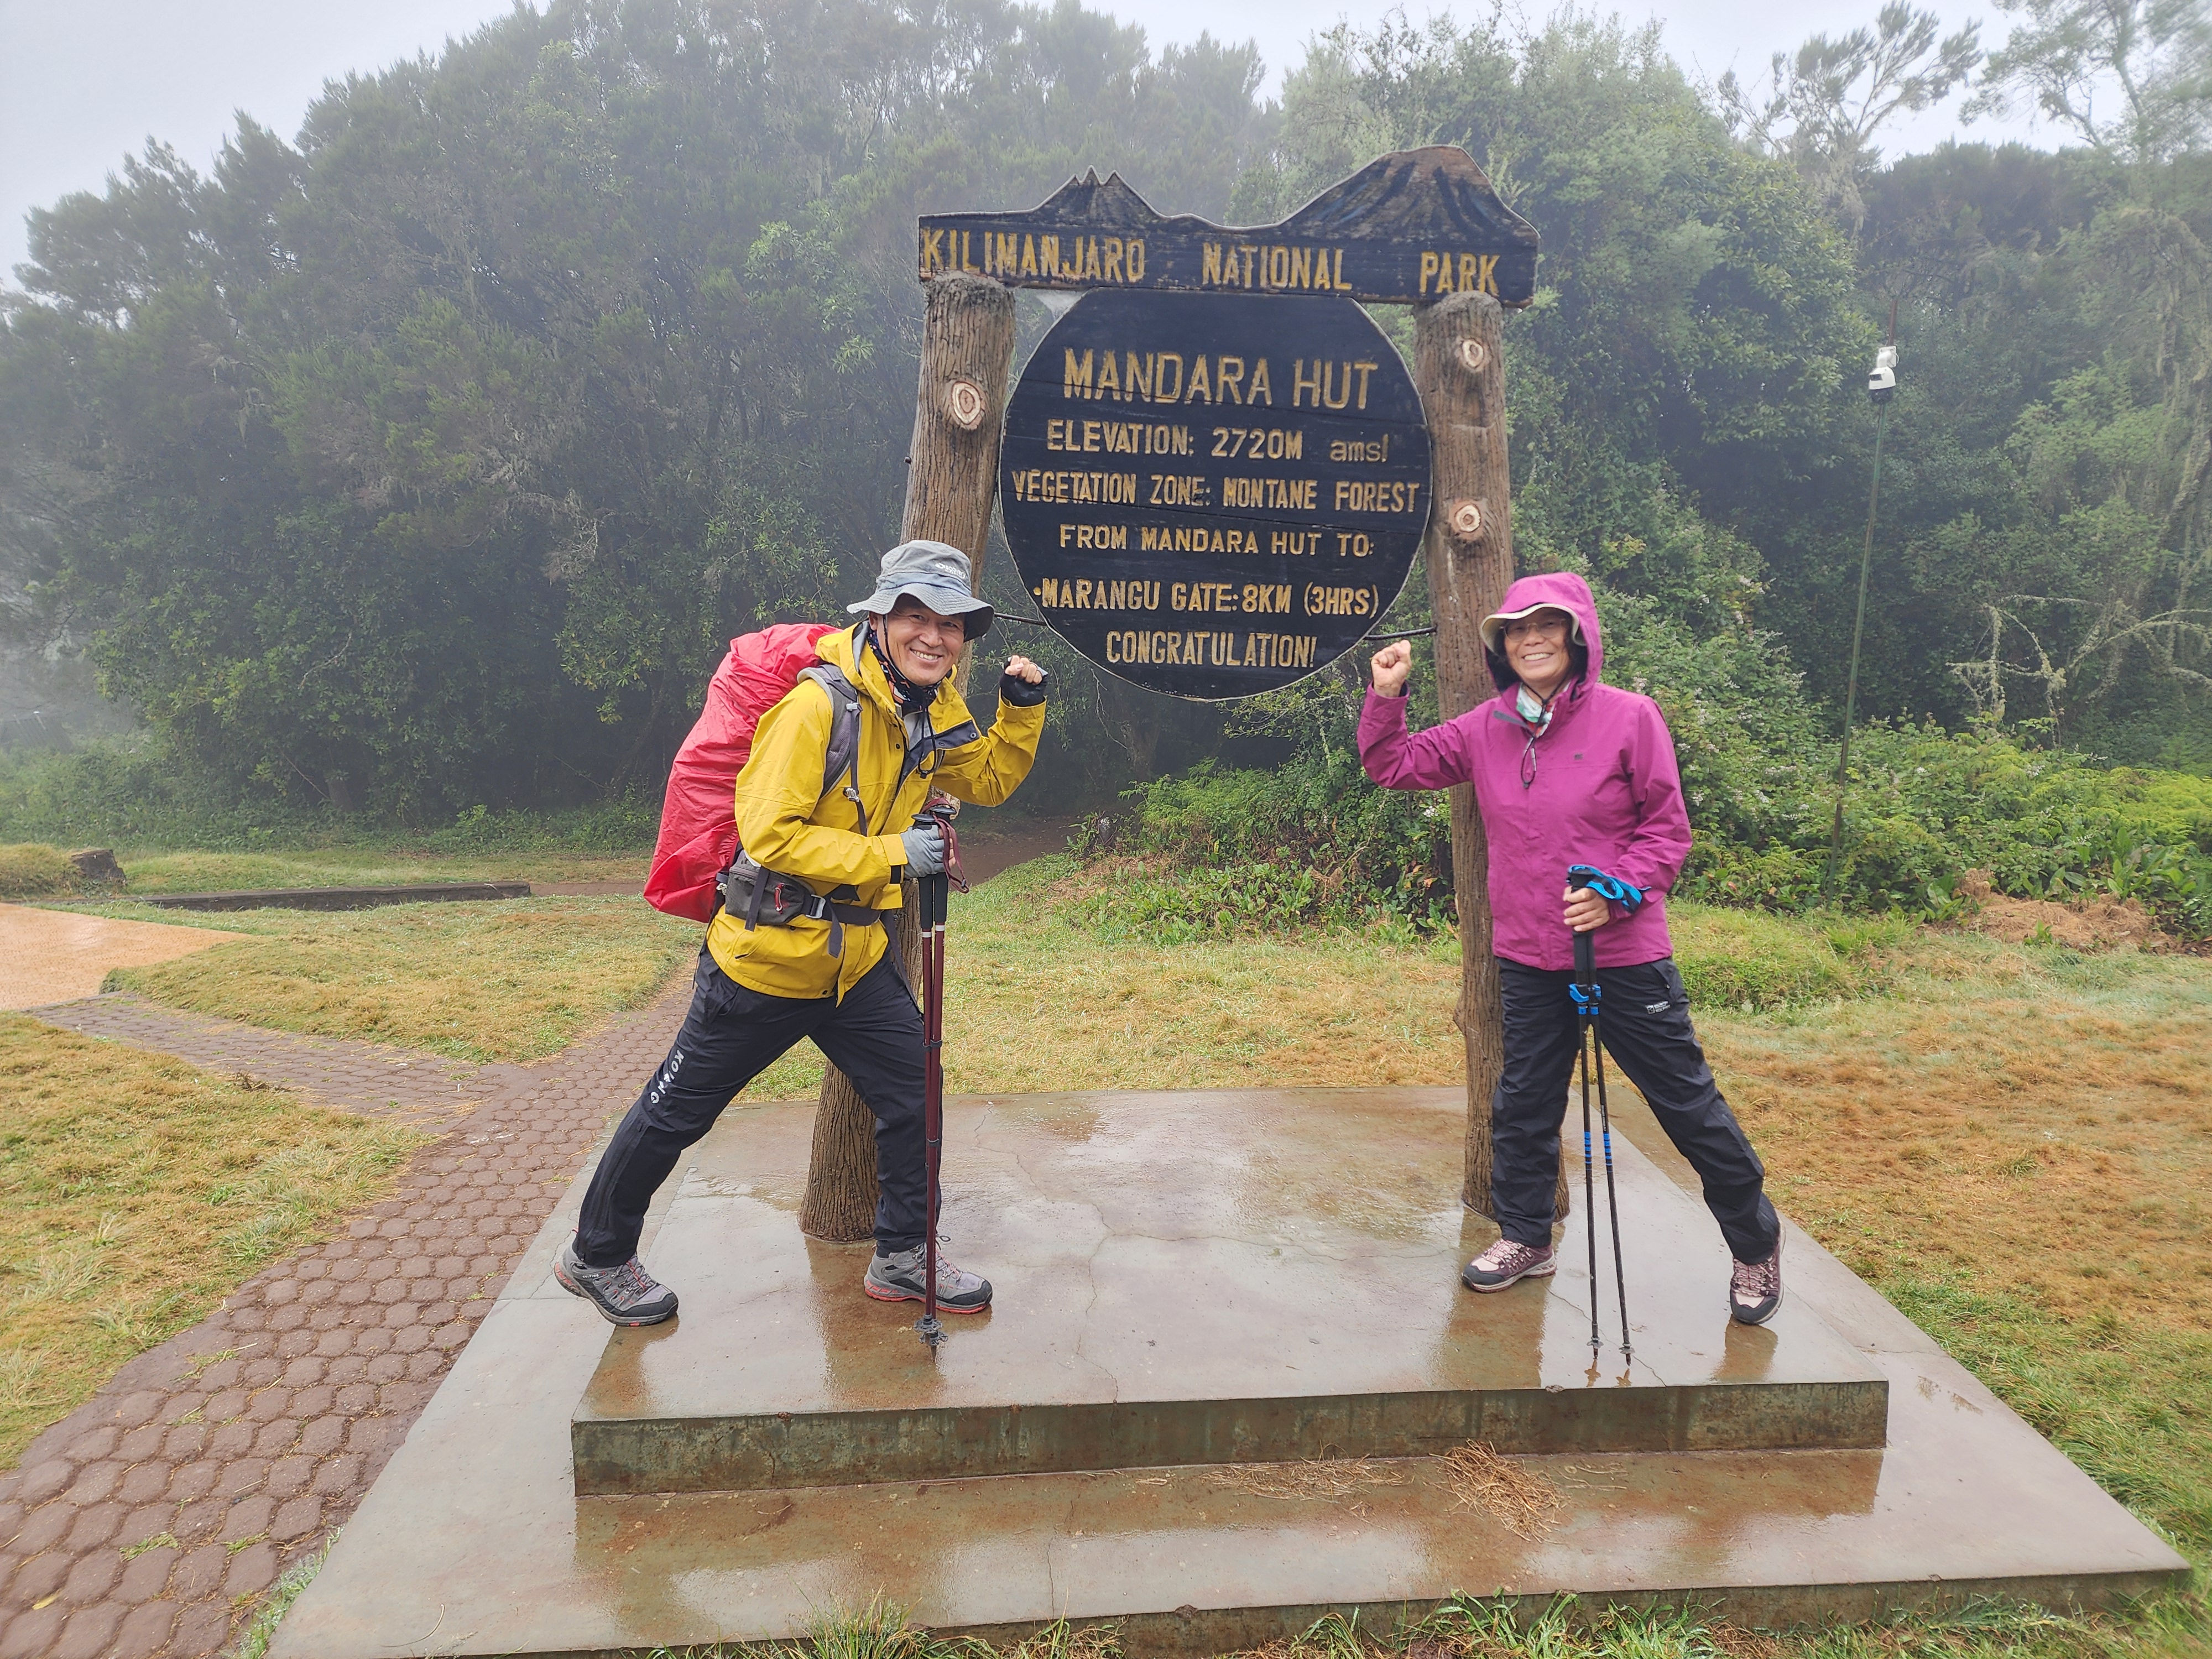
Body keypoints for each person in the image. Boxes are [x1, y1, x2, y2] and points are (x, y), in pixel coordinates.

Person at [558, 540, 1048, 1326]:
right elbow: (770, 835)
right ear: (880, 618)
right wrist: (896, 853)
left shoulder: (933, 706)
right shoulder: (816, 707)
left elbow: (986, 779)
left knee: (914, 1096)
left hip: (854, 964)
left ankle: (903, 1254)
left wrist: (1020, 710)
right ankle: (597, 1253)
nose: (934, 637)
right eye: (916, 617)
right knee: (676, 1113)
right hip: (766, 960)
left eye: (951, 624)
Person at [1359, 571, 1783, 1325]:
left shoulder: (1631, 718)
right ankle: (1526, 1236)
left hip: (1624, 956)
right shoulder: (1486, 727)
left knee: (1686, 1105)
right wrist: (1386, 695)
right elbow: (1393, 766)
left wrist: (1619, 890)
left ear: (1577, 636)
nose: (1531, 640)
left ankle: (1755, 1243)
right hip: (1529, 956)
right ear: (1501, 648)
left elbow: (1666, 831)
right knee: (1523, 1104)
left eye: (1546, 626)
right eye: (1516, 630)